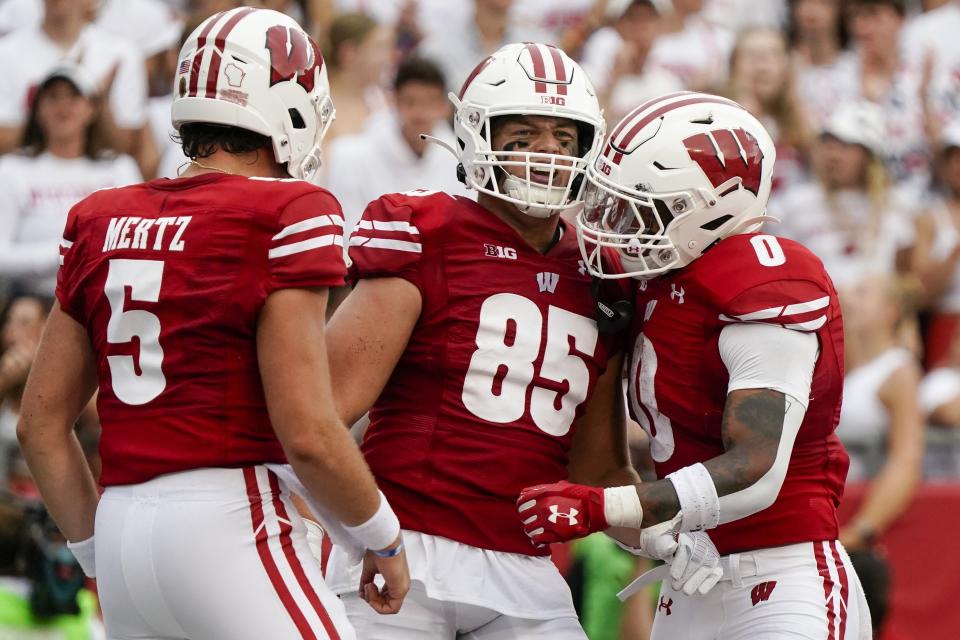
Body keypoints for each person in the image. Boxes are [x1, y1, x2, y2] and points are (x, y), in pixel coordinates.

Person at [16, 8, 409, 640]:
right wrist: (382, 537)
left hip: (118, 526)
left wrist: (97, 556)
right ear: (288, 106)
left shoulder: (97, 216)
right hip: (228, 517)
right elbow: (307, 430)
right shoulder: (289, 209)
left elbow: (39, 424)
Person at [518, 91, 873, 639]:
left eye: (640, 206)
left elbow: (755, 471)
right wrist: (654, 529)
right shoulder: (652, 286)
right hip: (691, 578)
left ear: (711, 207)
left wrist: (606, 507)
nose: (617, 223)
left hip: (785, 575)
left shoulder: (763, 278)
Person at [323, 42, 644, 639]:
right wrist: (357, 530)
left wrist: (687, 526)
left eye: (564, 137)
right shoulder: (428, 231)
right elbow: (322, 411)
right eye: (524, 134)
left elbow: (598, 469)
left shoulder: (602, 273)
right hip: (401, 550)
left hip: (525, 567)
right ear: (478, 135)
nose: (548, 152)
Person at [0, 64, 141, 296]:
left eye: (73, 96)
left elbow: (136, 240)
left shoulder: (119, 168)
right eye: (53, 97)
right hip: (32, 297)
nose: (62, 106)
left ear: (92, 108)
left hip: (102, 296)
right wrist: (64, 254)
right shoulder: (12, 169)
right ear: (38, 110)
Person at [323, 56, 471, 235]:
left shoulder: (462, 161)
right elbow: (347, 234)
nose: (419, 113)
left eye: (429, 102)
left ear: (444, 107)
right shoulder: (350, 157)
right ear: (395, 101)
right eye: (410, 102)